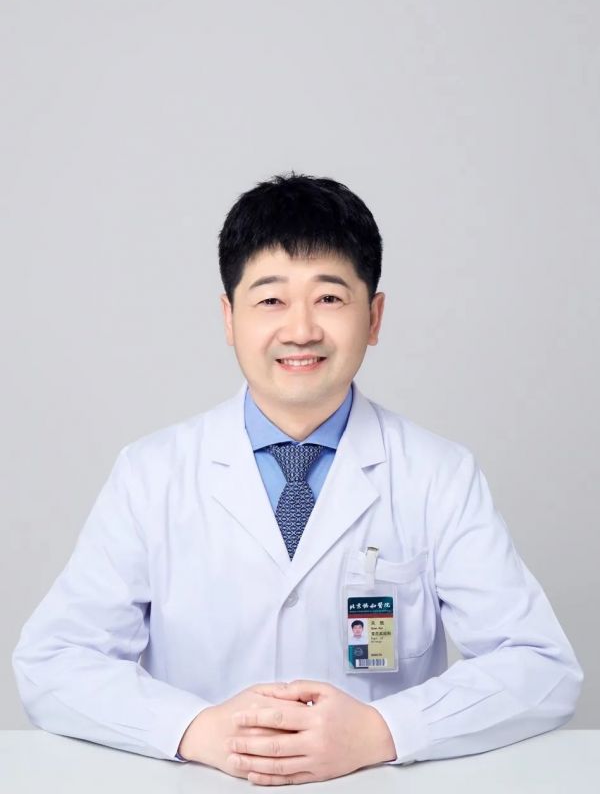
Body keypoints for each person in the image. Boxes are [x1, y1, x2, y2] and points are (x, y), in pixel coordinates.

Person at [12, 173, 583, 785]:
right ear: (229, 317)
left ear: (374, 316)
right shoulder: (151, 474)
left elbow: (541, 666)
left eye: (330, 298)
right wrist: (196, 729)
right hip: (202, 781)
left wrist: (382, 731)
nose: (301, 330)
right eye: (271, 301)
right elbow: (53, 661)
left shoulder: (439, 475)